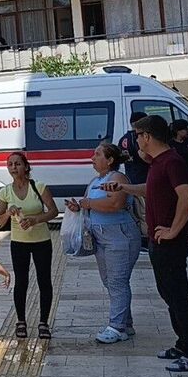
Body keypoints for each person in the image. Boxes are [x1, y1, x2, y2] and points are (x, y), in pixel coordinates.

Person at [103, 114, 188, 372]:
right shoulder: (159, 163)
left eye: (137, 135)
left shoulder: (172, 161)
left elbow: (187, 197)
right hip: (158, 240)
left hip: (169, 241)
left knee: (178, 295)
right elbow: (151, 189)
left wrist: (173, 230)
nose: (134, 140)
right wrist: (123, 188)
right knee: (167, 293)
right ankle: (183, 343)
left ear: (147, 136)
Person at [67, 142, 140, 343]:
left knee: (117, 281)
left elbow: (115, 204)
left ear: (110, 160)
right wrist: (78, 206)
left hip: (119, 235)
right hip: (100, 236)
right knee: (110, 281)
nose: (92, 158)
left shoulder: (118, 178)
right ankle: (125, 323)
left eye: (97, 154)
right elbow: (87, 203)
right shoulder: (95, 181)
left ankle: (116, 327)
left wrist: (88, 203)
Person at [0, 152, 59, 339]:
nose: (13, 167)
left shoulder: (38, 187)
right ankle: (21, 321)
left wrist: (36, 219)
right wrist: (8, 212)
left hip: (41, 241)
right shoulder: (4, 192)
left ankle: (43, 323)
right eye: (10, 164)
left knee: (44, 281)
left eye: (17, 164)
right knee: (21, 282)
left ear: (26, 166)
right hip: (19, 243)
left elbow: (53, 211)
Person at [117, 112, 150, 184]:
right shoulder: (139, 137)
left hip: (130, 177)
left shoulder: (123, 139)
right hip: (144, 178)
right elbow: (145, 156)